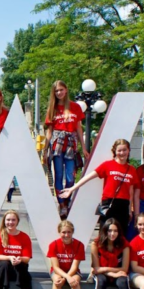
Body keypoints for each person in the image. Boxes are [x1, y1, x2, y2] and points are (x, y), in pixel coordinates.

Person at [59, 139, 138, 232]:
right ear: (115, 151)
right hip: (108, 203)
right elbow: (88, 177)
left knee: (121, 235)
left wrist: (129, 210)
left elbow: (131, 192)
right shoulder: (107, 165)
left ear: (128, 150)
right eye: (119, 150)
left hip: (123, 205)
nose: (122, 153)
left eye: (124, 150)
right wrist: (72, 189)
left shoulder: (132, 169)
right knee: (105, 233)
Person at [44, 80, 86, 216]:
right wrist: (45, 149)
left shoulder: (75, 107)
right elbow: (49, 131)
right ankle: (62, 204)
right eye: (56, 91)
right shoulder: (52, 108)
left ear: (66, 90)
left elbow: (79, 128)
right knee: (58, 175)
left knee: (70, 176)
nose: (59, 93)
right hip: (57, 144)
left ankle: (67, 201)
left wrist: (83, 147)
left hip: (71, 145)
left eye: (61, 90)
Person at [91, 218, 135, 289]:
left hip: (118, 273)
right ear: (105, 231)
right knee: (100, 280)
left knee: (123, 281)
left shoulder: (124, 244)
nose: (112, 234)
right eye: (110, 231)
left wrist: (106, 270)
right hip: (106, 274)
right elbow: (96, 269)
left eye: (115, 231)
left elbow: (124, 268)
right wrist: (112, 272)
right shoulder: (96, 243)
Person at [47, 220, 86, 289]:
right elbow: (55, 267)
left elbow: (75, 266)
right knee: (57, 281)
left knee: (75, 282)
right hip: (58, 271)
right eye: (63, 232)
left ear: (72, 232)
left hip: (73, 271)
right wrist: (65, 278)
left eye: (69, 232)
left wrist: (68, 278)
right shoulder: (53, 244)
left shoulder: (79, 245)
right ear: (59, 232)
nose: (66, 235)